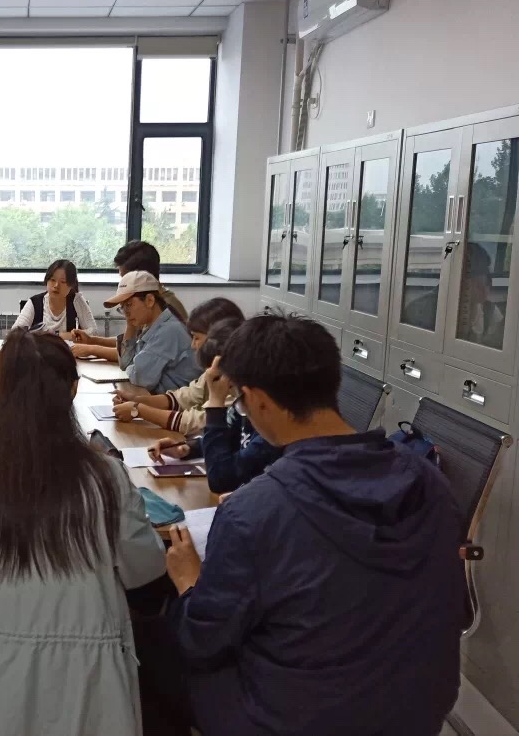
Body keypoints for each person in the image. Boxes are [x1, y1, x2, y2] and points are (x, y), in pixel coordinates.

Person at [165, 313, 466, 736]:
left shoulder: (253, 511)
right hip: (415, 712)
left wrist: (188, 582)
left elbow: (202, 641)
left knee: (161, 646)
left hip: (295, 721)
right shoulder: (429, 481)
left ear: (259, 401)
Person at [0, 330, 167, 736]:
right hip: (87, 676)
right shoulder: (106, 477)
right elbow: (144, 570)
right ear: (73, 390)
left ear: (0, 390)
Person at [149, 351, 283, 495]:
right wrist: (187, 449)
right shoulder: (244, 406)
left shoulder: (273, 431)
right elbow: (227, 437)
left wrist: (215, 401)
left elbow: (220, 478)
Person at [112, 298, 244, 427]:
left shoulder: (235, 383)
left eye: (196, 338)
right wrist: (137, 400)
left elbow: (194, 422)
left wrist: (138, 410)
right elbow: (185, 397)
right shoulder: (216, 370)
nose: (193, 345)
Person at [75, 271, 199, 391]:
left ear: (150, 300)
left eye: (129, 305)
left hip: (176, 403)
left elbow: (140, 378)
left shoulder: (168, 331)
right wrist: (130, 325)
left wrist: (134, 366)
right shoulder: (151, 327)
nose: (126, 313)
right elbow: (125, 363)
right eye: (122, 307)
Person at [70, 241, 187, 353]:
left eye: (126, 278)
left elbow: (133, 355)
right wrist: (92, 341)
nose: (122, 283)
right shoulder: (149, 301)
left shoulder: (166, 309)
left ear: (141, 276)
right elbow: (131, 344)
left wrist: (91, 349)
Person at [10, 258, 98, 337]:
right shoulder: (35, 302)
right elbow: (15, 333)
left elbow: (93, 332)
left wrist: (59, 335)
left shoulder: (76, 300)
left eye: (63, 282)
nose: (56, 285)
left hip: (68, 349)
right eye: (52, 280)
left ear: (71, 285)